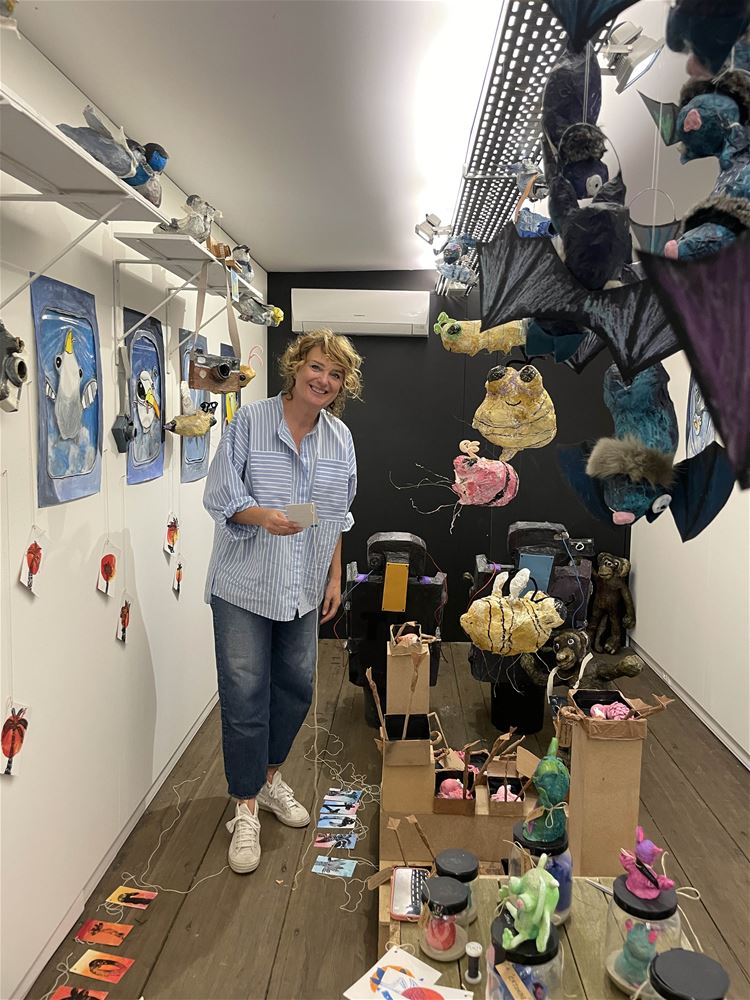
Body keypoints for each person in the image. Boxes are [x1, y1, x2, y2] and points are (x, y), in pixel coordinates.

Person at [203, 329, 362, 874]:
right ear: (296, 367)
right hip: (244, 584)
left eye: (335, 374)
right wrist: (262, 517)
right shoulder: (249, 422)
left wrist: (335, 576)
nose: (324, 380)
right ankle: (245, 807)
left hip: (303, 585)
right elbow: (220, 494)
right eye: (317, 367)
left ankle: (269, 779)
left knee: (295, 688)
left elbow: (336, 515)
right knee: (245, 694)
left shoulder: (340, 439)